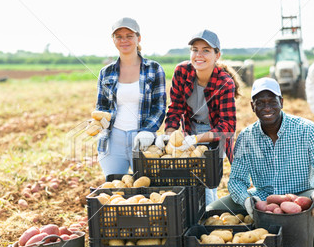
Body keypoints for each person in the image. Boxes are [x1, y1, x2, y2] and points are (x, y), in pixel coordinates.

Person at [207, 77, 314, 247]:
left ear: (281, 102)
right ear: (253, 106)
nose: (266, 107)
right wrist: (245, 200)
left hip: (300, 194)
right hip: (262, 195)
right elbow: (236, 180)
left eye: (272, 101)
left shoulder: (307, 130)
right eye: (260, 102)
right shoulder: (246, 137)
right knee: (212, 210)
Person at [156, 29, 240, 205]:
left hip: (215, 134)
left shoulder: (225, 83)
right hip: (190, 128)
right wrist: (170, 134)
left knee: (207, 182)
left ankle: (208, 214)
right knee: (188, 178)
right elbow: (175, 107)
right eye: (195, 49)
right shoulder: (182, 71)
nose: (198, 55)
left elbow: (227, 127)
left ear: (217, 55)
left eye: (206, 50)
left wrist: (196, 139)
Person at [95, 17, 167, 177]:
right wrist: (98, 123)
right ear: (113, 40)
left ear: (138, 38)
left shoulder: (154, 69)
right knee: (115, 189)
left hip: (143, 140)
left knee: (148, 189)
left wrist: (147, 131)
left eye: (129, 35)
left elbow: (160, 107)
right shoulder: (106, 72)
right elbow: (101, 107)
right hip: (113, 141)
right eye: (119, 36)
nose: (124, 40)